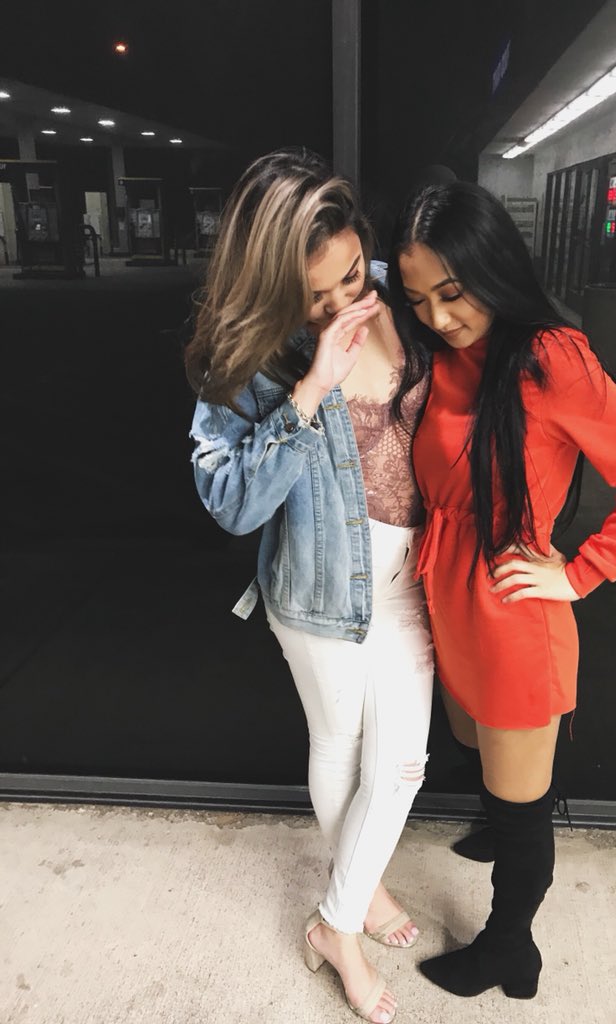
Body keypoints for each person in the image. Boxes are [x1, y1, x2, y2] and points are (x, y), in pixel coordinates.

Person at [386, 181, 616, 1000]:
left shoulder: (550, 358)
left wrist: (582, 570)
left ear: (494, 268)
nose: (438, 316)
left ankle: (510, 951)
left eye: (453, 292)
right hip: (447, 597)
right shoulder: (440, 355)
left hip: (511, 614)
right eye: (418, 298)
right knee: (469, 739)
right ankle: (503, 814)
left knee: (520, 800)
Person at [186, 148, 434, 1024]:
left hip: (410, 578)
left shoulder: (400, 295)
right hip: (319, 588)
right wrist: (313, 384)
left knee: (401, 764)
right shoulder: (251, 355)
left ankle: (335, 916)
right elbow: (230, 503)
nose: (340, 306)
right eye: (313, 295)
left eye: (349, 278)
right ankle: (353, 920)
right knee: (341, 747)